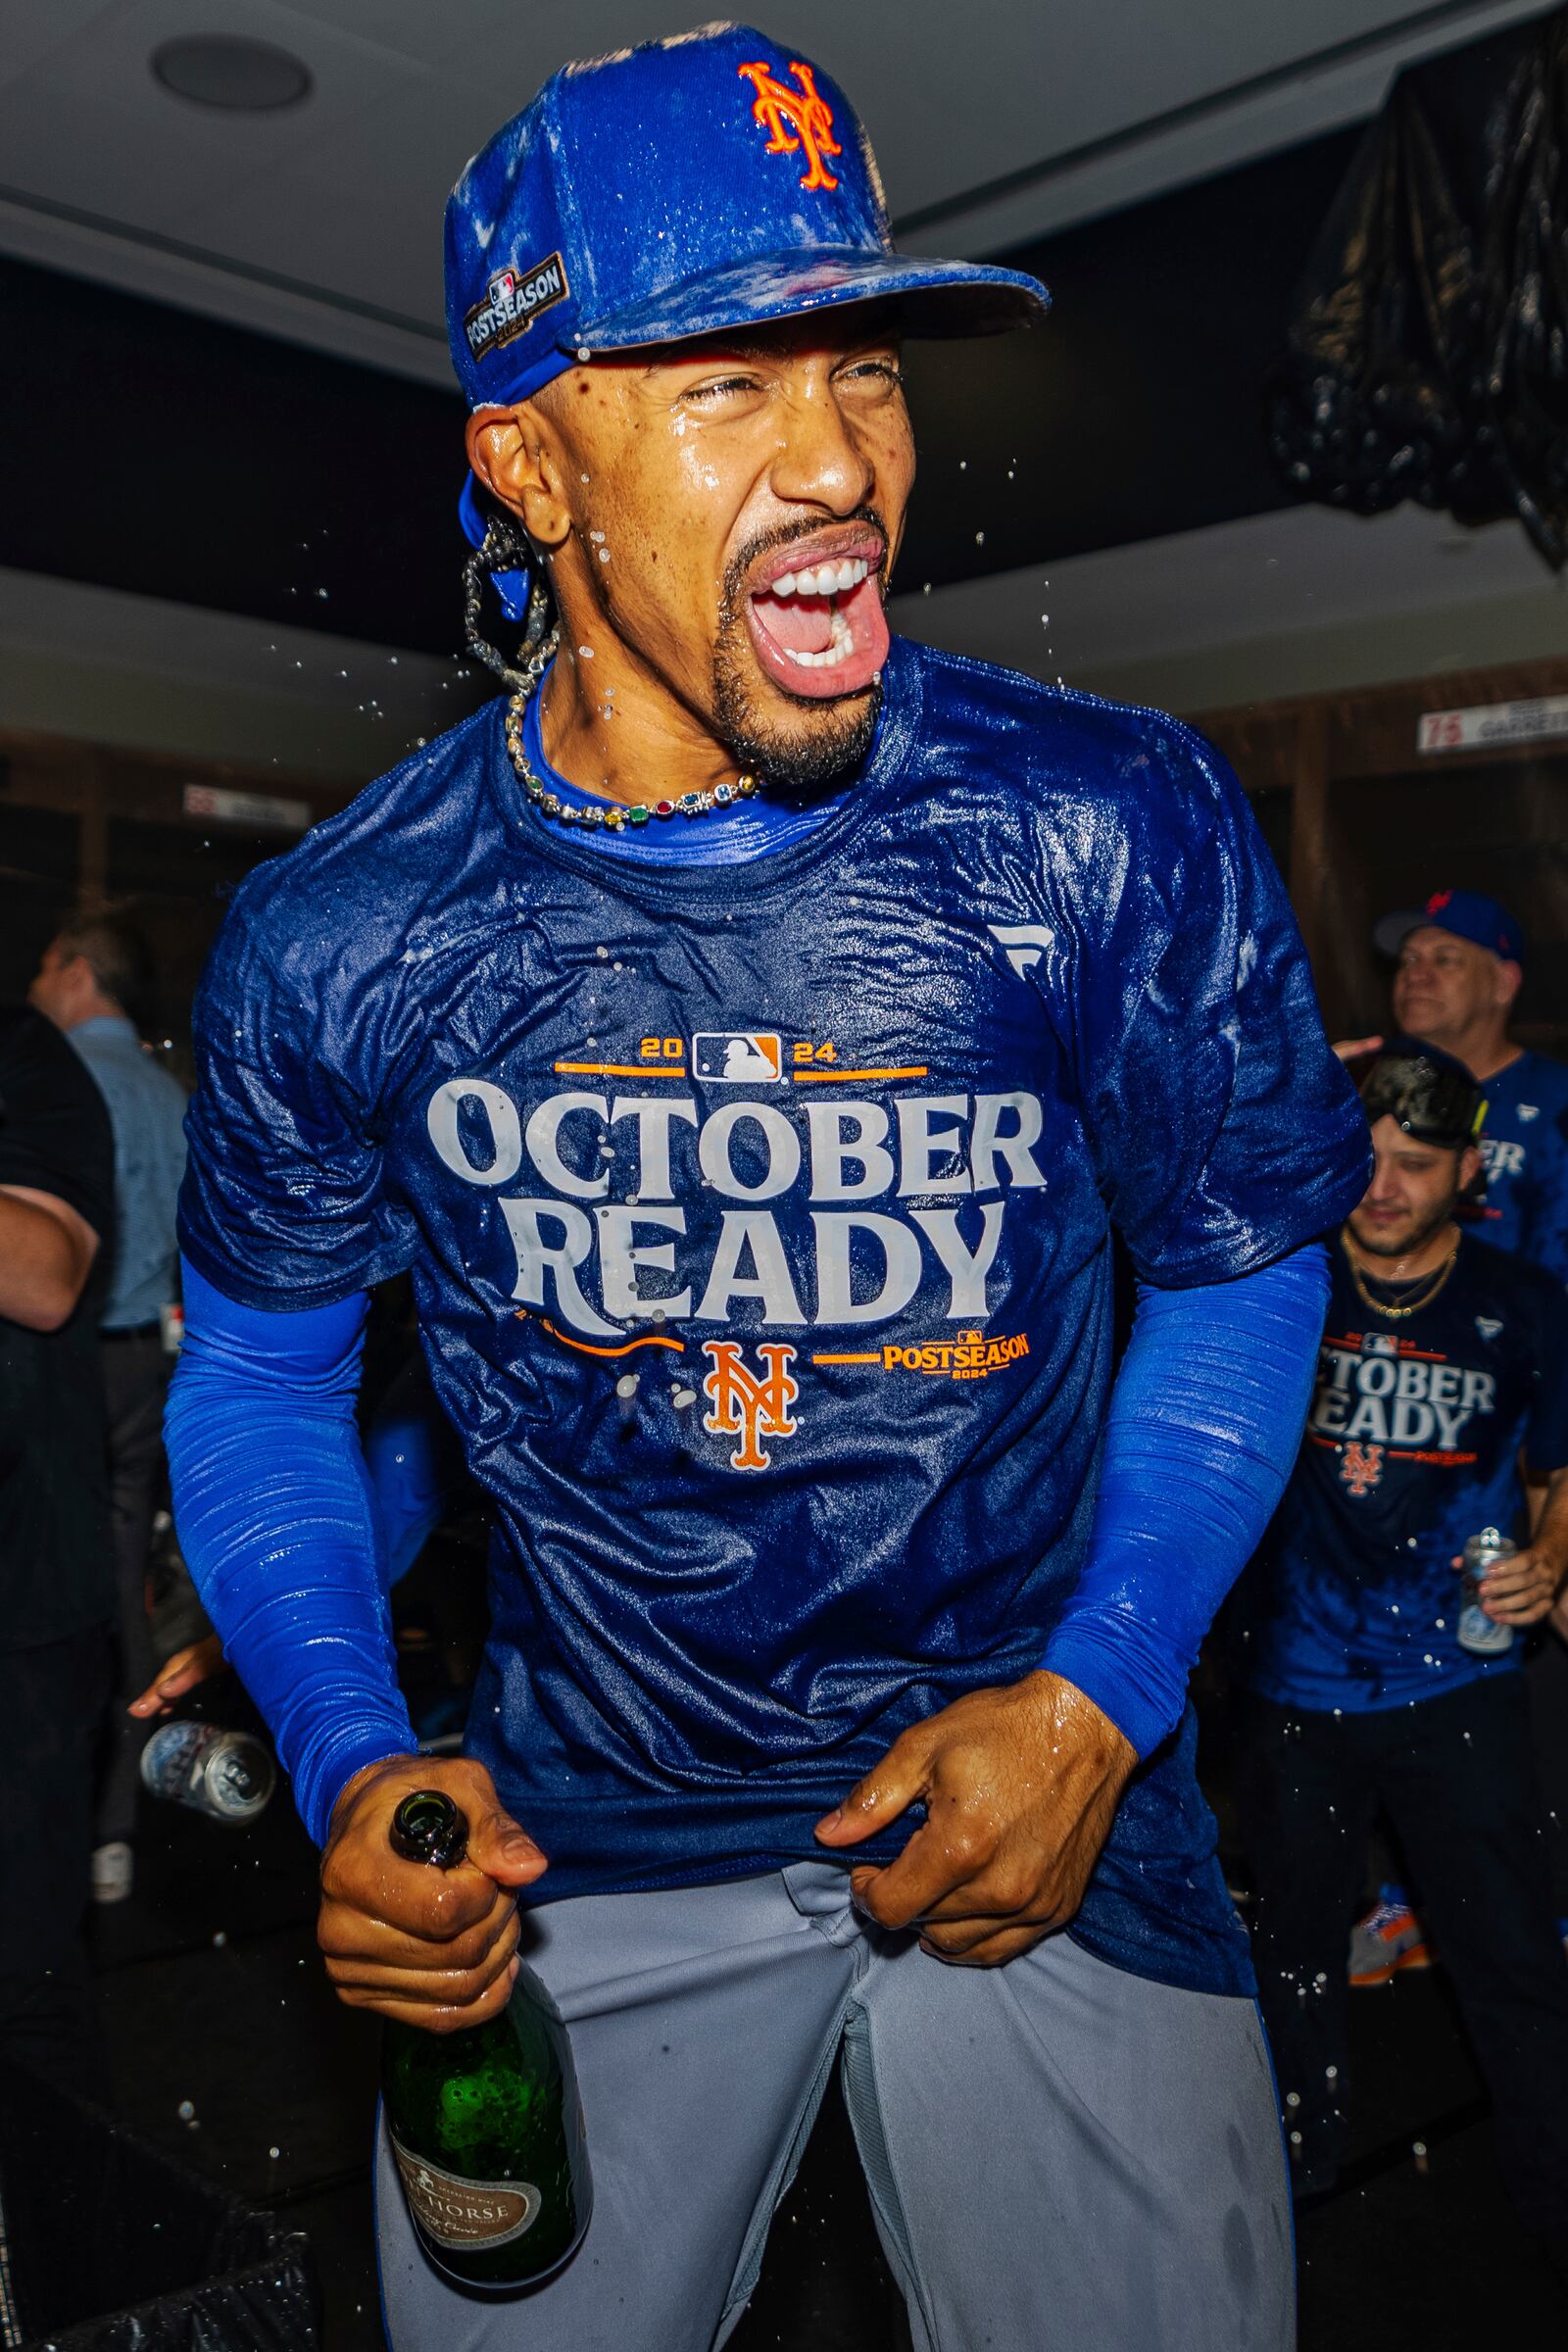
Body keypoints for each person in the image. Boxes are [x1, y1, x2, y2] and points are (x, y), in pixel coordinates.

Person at [165, 26, 1371, 2349]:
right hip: (578, 1839)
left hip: (1055, 1805)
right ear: (528, 461)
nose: (841, 462)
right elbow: (255, 1386)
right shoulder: (345, 933)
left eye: (862, 369)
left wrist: (1100, 1697)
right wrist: (345, 1748)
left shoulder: (1104, 822)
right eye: (725, 383)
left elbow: (1238, 1269)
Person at [1232, 1040, 1568, 2260]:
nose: (1381, 1186)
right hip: (1293, 1694)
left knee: (1512, 1965)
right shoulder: (1276, 1284)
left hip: (1461, 1686)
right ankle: (1288, 2195)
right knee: (1296, 1961)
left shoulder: (1521, 1303)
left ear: (1468, 1169)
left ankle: (1550, 2206)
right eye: (1364, 1157)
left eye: (1415, 1164)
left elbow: (1557, 1473)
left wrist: (1553, 1554)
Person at [29, 912, 188, 1903]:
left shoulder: (58, 1081)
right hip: (149, 1370)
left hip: (69, 1369)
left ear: (81, 973)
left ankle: (49, 1817)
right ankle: (114, 1833)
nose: (39, 982)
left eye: (48, 964)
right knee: (123, 1581)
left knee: (47, 1588)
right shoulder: (172, 1095)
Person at [0, 1002, 115, 2092]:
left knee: (23, 1984)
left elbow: (43, 1277)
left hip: (22, 1607)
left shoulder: (20, 1051)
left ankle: (45, 2256)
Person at [1338, 888, 1568, 1284]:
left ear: (1503, 983)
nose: (1416, 976)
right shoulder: (1359, 1081)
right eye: (1409, 959)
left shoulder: (1557, 1101)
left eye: (1445, 960)